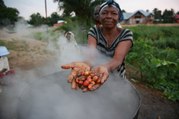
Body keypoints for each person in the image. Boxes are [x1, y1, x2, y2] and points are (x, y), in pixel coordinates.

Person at [61, 0, 133, 91]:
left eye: (114, 13)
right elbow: (91, 55)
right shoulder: (94, 31)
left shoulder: (126, 34)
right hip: (97, 74)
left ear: (119, 17)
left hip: (117, 80)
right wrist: (86, 64)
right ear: (99, 16)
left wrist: (105, 67)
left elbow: (117, 60)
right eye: (104, 13)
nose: (109, 16)